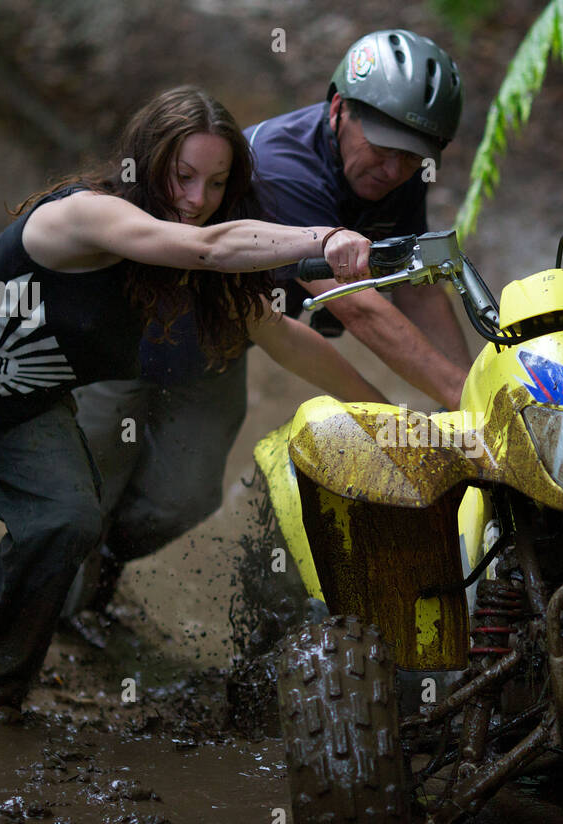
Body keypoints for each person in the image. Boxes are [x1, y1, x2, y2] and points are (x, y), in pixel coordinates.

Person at [0, 85, 383, 712]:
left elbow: (291, 341)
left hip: (21, 400)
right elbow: (207, 247)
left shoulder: (195, 273)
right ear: (145, 162)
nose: (196, 201)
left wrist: (390, 417)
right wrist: (322, 238)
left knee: (68, 518)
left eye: (215, 184)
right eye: (182, 176)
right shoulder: (86, 215)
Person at [66, 30, 473, 622]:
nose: (394, 168)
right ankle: (36, 617)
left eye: (413, 156)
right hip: (126, 337)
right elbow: (354, 305)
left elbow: (416, 282)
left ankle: (91, 584)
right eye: (382, 146)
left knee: (184, 498)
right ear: (338, 109)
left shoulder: (395, 172)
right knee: (82, 493)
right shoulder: (282, 165)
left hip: (221, 336)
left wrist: (470, 391)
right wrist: (455, 397)